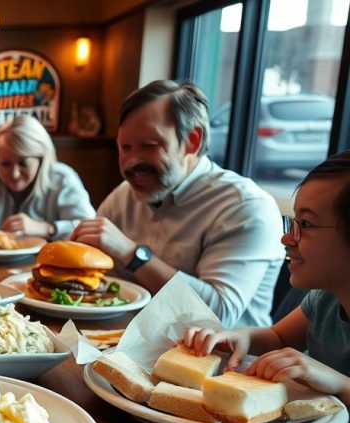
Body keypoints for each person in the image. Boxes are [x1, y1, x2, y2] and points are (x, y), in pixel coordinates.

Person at [71, 80, 284, 328]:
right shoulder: (123, 196)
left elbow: (218, 315)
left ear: (192, 141)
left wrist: (132, 254)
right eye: (124, 147)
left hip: (224, 362)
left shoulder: (244, 206)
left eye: (149, 146)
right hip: (128, 345)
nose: (131, 163)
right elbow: (95, 280)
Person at [180, 151, 350, 403]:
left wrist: (340, 384)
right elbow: (278, 337)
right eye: (293, 222)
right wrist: (240, 337)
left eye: (305, 224)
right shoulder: (324, 299)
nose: (286, 238)